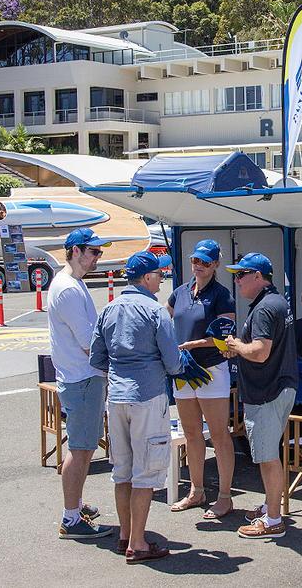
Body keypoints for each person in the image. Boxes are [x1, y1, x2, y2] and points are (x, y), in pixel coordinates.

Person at [89, 250, 183, 564]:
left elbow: (96, 358)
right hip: (147, 394)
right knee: (147, 471)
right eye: (159, 274)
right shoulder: (156, 312)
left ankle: (126, 535)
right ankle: (139, 544)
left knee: (122, 471)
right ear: (146, 278)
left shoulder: (110, 308)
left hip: (116, 397)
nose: (162, 278)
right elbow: (173, 363)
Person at [223, 252, 297, 539]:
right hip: (276, 388)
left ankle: (274, 520)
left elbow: (260, 351)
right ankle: (270, 506)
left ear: (258, 277)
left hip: (267, 392)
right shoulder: (276, 301)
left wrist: (235, 345)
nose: (237, 280)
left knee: (267, 457)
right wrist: (241, 346)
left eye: (241, 275)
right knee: (269, 454)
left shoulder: (265, 308)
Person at [47, 227, 112, 540]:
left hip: (80, 377)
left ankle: (76, 507)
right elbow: (89, 341)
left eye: (98, 252)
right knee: (81, 448)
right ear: (75, 251)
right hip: (82, 378)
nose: (97, 256)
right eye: (93, 251)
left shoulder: (71, 284)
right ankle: (71, 518)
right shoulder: (69, 289)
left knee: (83, 447)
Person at [166, 239, 237, 518]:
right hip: (183, 371)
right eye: (196, 260)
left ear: (216, 264)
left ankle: (224, 496)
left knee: (219, 435)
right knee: (192, 433)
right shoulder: (180, 292)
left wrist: (193, 345)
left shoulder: (222, 295)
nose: (199, 266)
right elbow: (165, 323)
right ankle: (196, 491)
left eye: (206, 262)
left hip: (211, 370)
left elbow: (226, 339)